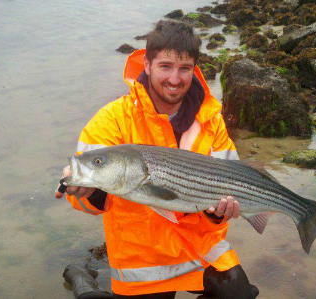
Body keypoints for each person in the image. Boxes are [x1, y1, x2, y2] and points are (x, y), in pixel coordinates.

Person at [55, 20, 258, 299]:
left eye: (184, 68)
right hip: (143, 256)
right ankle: (82, 281)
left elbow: (226, 192)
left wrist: (217, 212)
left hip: (198, 247)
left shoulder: (211, 120)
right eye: (165, 66)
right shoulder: (112, 120)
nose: (175, 79)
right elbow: (82, 195)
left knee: (240, 295)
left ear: (194, 69)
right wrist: (84, 191)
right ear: (147, 65)